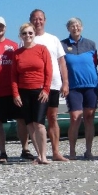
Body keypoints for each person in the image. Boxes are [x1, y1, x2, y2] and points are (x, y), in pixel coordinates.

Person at [0, 16, 34, 163]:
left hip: (13, 90)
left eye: (1, 26)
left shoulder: (14, 46)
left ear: (5, 28)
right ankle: (3, 152)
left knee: (21, 119)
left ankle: (25, 149)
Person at [29, 9, 70, 161]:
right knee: (36, 121)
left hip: (53, 84)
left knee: (52, 117)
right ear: (30, 20)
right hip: (35, 86)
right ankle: (40, 153)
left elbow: (62, 62)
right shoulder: (27, 39)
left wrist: (65, 82)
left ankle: (56, 151)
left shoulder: (53, 39)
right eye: (35, 19)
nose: (37, 21)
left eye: (40, 19)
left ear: (45, 20)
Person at [11, 23, 53, 165]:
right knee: (29, 124)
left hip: (40, 91)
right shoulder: (17, 53)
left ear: (34, 33)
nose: (27, 36)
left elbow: (49, 71)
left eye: (30, 33)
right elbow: (13, 76)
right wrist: (15, 94)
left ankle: (44, 155)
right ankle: (39, 155)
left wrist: (46, 89)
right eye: (24, 33)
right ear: (20, 36)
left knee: (39, 124)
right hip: (23, 92)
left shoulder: (42, 49)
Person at [60, 18, 98, 160]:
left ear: (81, 27)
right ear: (68, 28)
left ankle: (88, 150)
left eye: (77, 25)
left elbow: (95, 63)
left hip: (91, 85)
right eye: (72, 26)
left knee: (89, 117)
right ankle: (72, 151)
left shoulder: (91, 44)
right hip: (73, 86)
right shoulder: (62, 45)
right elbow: (61, 65)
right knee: (75, 117)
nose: (75, 28)